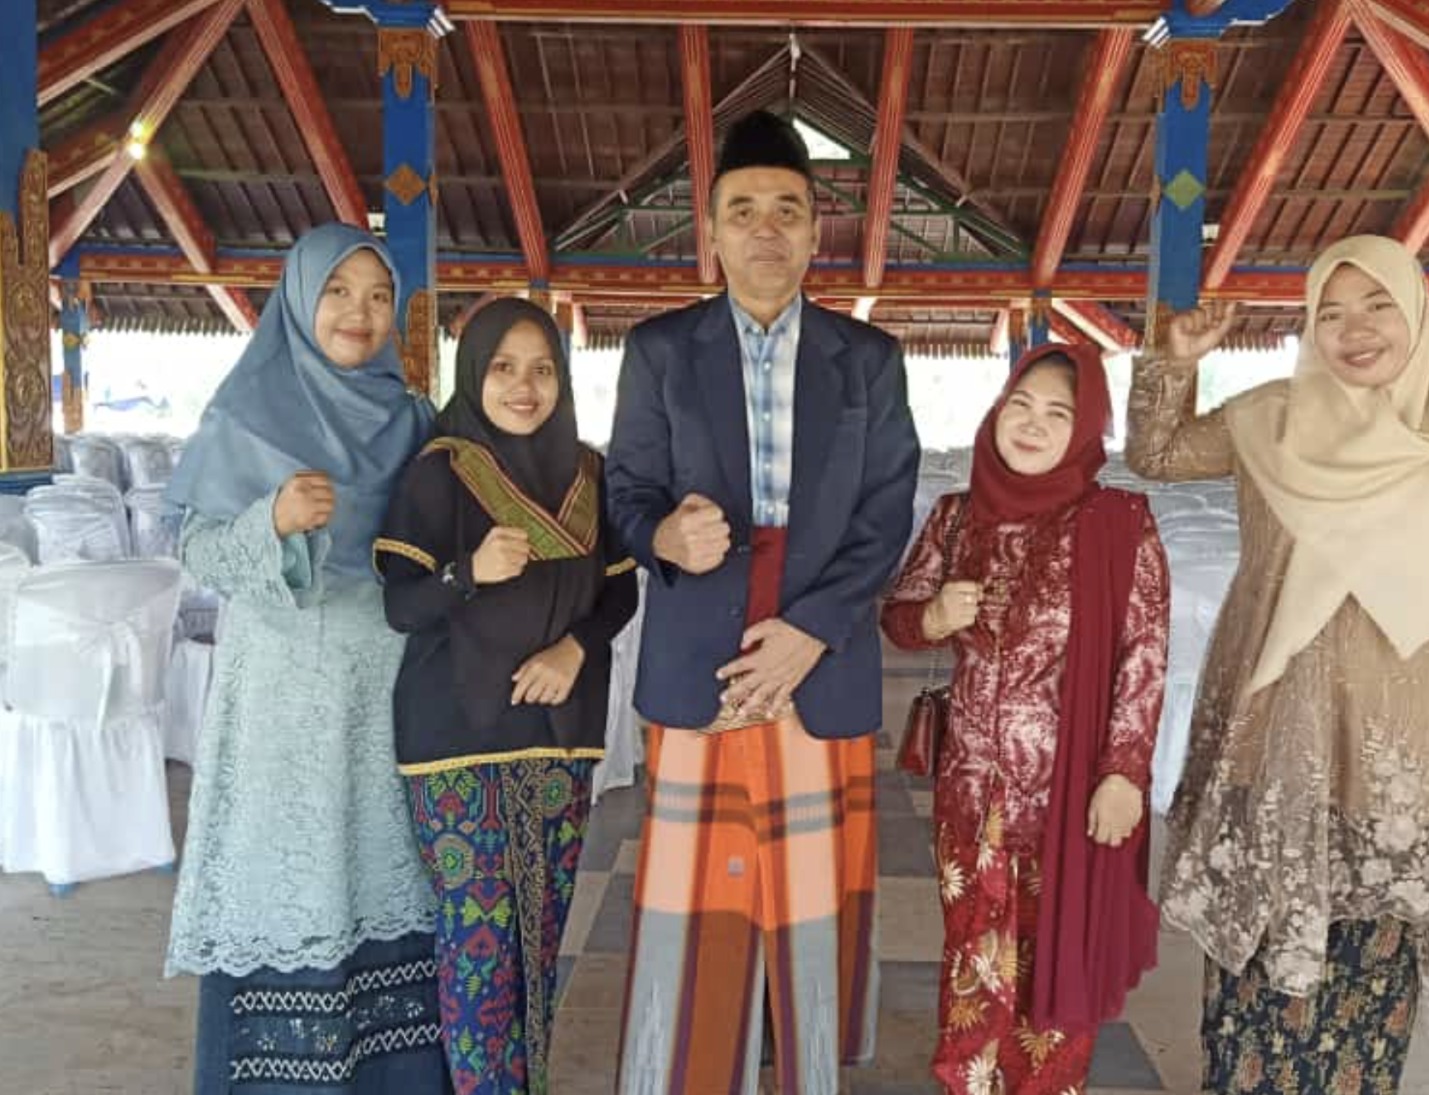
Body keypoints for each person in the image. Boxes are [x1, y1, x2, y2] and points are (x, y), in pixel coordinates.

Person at [1127, 235, 1429, 1093]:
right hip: (1270, 729)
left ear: (1417, 314)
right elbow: (1156, 455)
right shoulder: (1269, 418)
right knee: (1254, 964)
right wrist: (1176, 362)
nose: (1356, 330)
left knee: (1368, 971)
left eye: (1378, 306)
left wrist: (1413, 661)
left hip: (1395, 753)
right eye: (1332, 312)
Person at [605, 109, 920, 1094]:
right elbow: (626, 492)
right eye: (742, 210)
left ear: (817, 230)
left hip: (818, 650)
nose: (765, 228)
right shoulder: (660, 351)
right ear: (710, 232)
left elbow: (886, 509)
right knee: (697, 889)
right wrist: (662, 537)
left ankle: (804, 1066)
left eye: (787, 208)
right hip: (699, 645)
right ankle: (684, 1068)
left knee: (809, 888)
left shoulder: (867, 359)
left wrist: (812, 631)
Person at [164, 223, 446, 1093]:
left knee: (381, 875)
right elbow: (196, 547)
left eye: (378, 296)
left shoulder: (414, 420)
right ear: (298, 299)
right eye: (338, 292)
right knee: (293, 883)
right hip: (283, 702)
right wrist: (272, 523)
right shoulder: (248, 414)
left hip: (389, 695)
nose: (360, 313)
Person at [882, 343, 1170, 1094]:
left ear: (1087, 430)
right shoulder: (955, 516)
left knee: (1055, 967)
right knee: (974, 963)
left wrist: (1124, 773)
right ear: (997, 411)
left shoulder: (1118, 524)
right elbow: (899, 616)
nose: (1034, 425)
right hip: (972, 789)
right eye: (1022, 405)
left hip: (1072, 793)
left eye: (1058, 414)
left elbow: (1143, 656)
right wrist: (933, 616)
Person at [376, 297, 639, 1095]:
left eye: (542, 369)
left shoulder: (588, 473)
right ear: (472, 374)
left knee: (539, 937)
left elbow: (619, 592)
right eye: (503, 368)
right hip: (457, 737)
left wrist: (574, 647)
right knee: (478, 944)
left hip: (559, 733)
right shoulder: (440, 470)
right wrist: (470, 572)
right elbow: (401, 605)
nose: (524, 387)